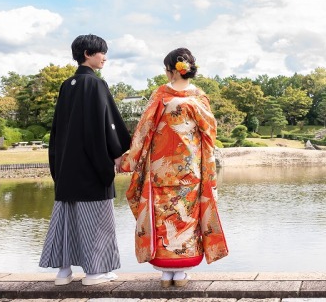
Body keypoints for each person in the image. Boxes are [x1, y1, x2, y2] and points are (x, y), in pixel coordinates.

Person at [120, 47, 228, 287]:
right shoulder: (199, 97)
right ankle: (181, 273)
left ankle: (165, 272)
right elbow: (209, 133)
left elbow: (143, 130)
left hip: (160, 169)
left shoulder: (160, 94)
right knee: (186, 216)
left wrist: (130, 159)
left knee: (162, 216)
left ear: (171, 71)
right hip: (191, 169)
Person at [39, 34, 132, 286]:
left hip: (66, 164)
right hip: (91, 164)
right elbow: (106, 125)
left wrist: (57, 163)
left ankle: (63, 272)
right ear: (88, 54)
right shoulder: (96, 85)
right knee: (97, 220)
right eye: (101, 52)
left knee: (66, 220)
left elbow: (58, 128)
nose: (105, 57)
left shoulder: (66, 85)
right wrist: (118, 152)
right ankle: (94, 273)